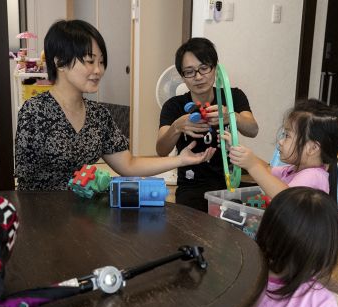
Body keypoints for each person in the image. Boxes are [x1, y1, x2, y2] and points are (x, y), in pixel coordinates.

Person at [15, 20, 216, 191]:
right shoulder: (35, 111)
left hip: (85, 214)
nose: (99, 70)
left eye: (101, 62)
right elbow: (25, 183)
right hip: (46, 219)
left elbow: (128, 164)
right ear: (60, 63)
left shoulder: (98, 115)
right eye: (89, 61)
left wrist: (180, 160)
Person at [156, 37, 258, 211]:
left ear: (215, 69)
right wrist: (177, 127)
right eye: (189, 71)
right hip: (192, 185)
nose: (198, 77)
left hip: (229, 181)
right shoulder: (174, 106)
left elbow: (252, 129)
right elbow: (161, 150)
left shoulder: (233, 97)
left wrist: (231, 116)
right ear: (182, 76)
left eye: (204, 68)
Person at [225, 99, 338, 200]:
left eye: (287, 136)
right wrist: (241, 152)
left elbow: (285, 198)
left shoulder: (314, 176)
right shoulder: (293, 170)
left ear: (312, 148)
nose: (281, 141)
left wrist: (252, 166)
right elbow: (267, 169)